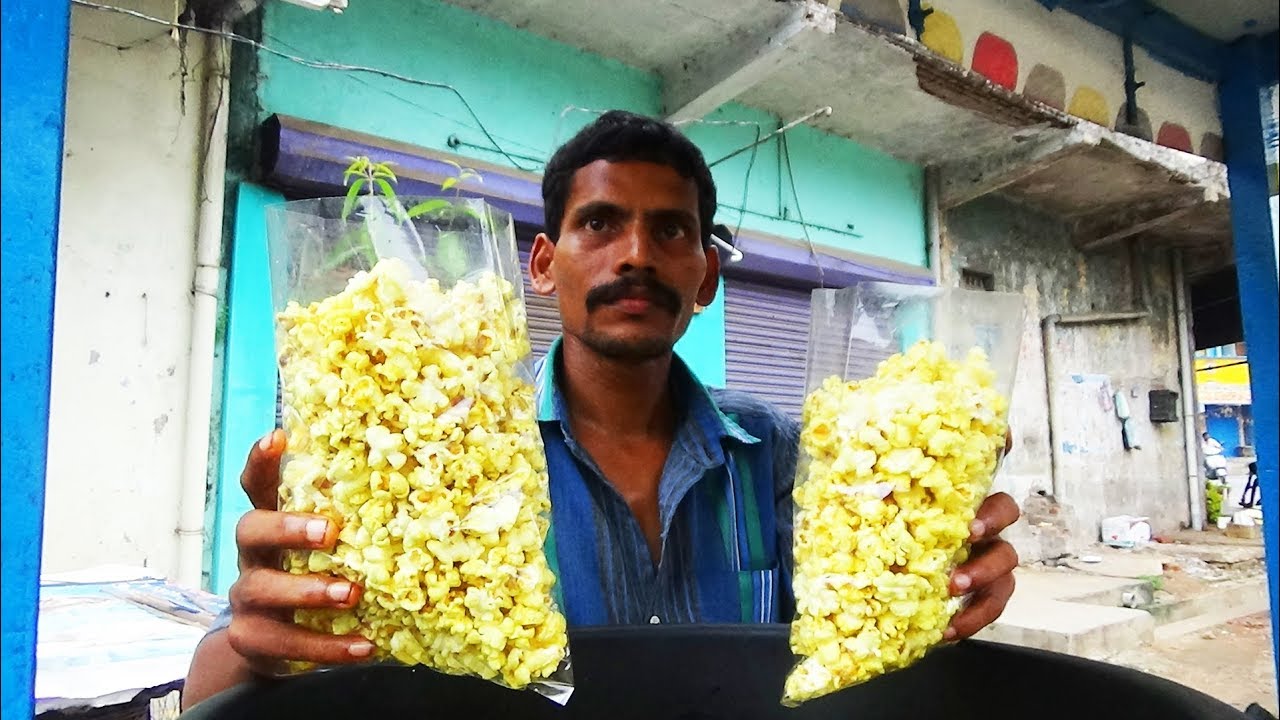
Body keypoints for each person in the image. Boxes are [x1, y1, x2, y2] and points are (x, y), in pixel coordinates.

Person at [181, 110, 1021, 708]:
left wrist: (949, 575)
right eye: (600, 224)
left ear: (707, 278)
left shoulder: (793, 457)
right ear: (543, 264)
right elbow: (212, 693)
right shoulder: (448, 464)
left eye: (671, 233)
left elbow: (875, 643)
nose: (635, 256)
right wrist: (258, 639)